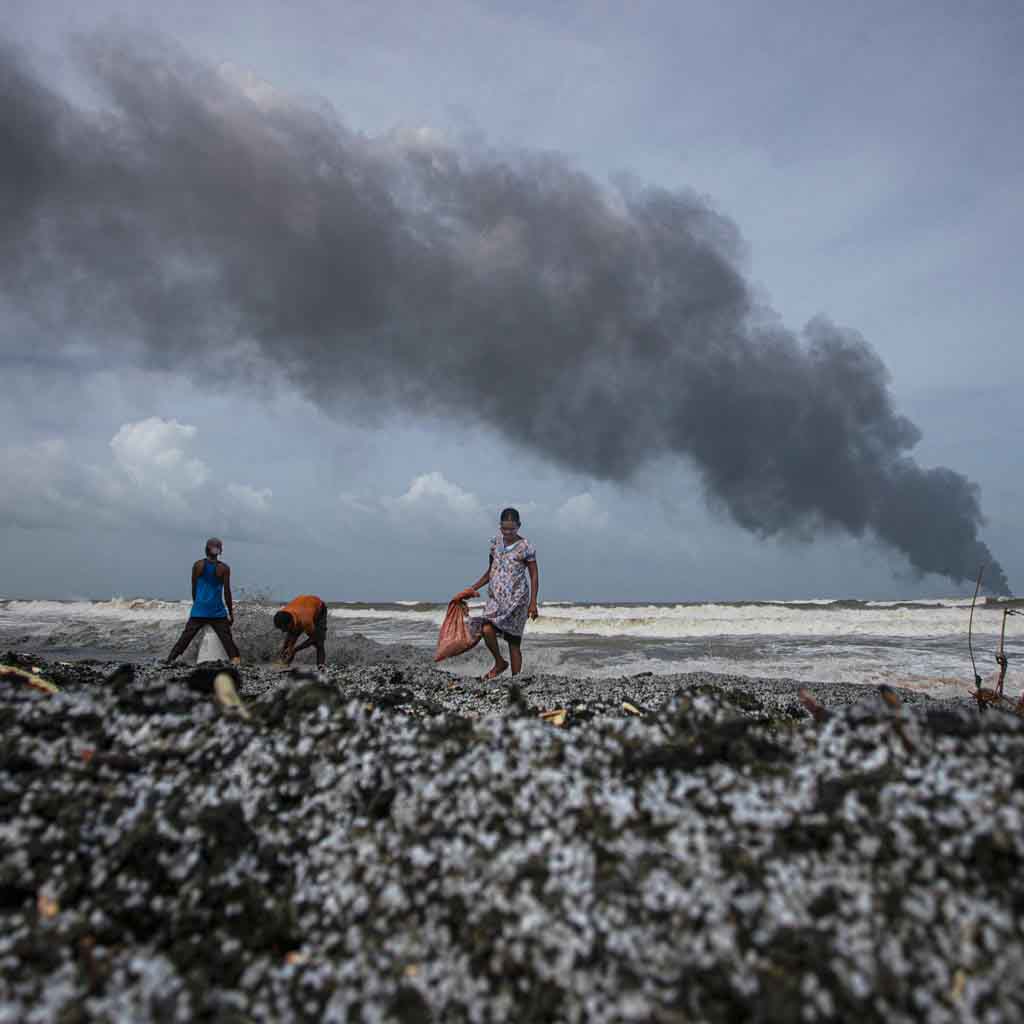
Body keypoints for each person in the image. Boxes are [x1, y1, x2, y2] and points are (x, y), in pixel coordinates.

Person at [466, 508, 539, 679]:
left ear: (518, 526)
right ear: (500, 527)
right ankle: (499, 662)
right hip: (496, 600)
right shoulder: (495, 544)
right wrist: (472, 588)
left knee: (514, 642)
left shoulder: (526, 547)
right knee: (486, 628)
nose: (507, 532)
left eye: (511, 529)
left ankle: (516, 680)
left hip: (517, 600)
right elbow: (491, 571)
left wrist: (533, 603)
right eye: (504, 529)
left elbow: (534, 576)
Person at [165, 538, 241, 665]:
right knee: (227, 640)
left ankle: (170, 660)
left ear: (206, 549)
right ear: (220, 551)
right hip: (217, 612)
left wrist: (197, 605)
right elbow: (227, 593)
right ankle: (236, 661)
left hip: (199, 610)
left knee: (185, 638)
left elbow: (194, 588)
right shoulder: (224, 568)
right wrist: (230, 613)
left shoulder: (197, 565)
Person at [273, 595, 328, 669]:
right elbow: (290, 635)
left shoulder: (306, 621)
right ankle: (284, 664)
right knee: (288, 644)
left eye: (284, 629)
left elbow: (314, 638)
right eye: (281, 629)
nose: (283, 631)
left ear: (290, 623)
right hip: (301, 608)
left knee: (319, 642)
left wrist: (295, 649)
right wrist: (286, 648)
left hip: (319, 609)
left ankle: (321, 667)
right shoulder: (284, 614)